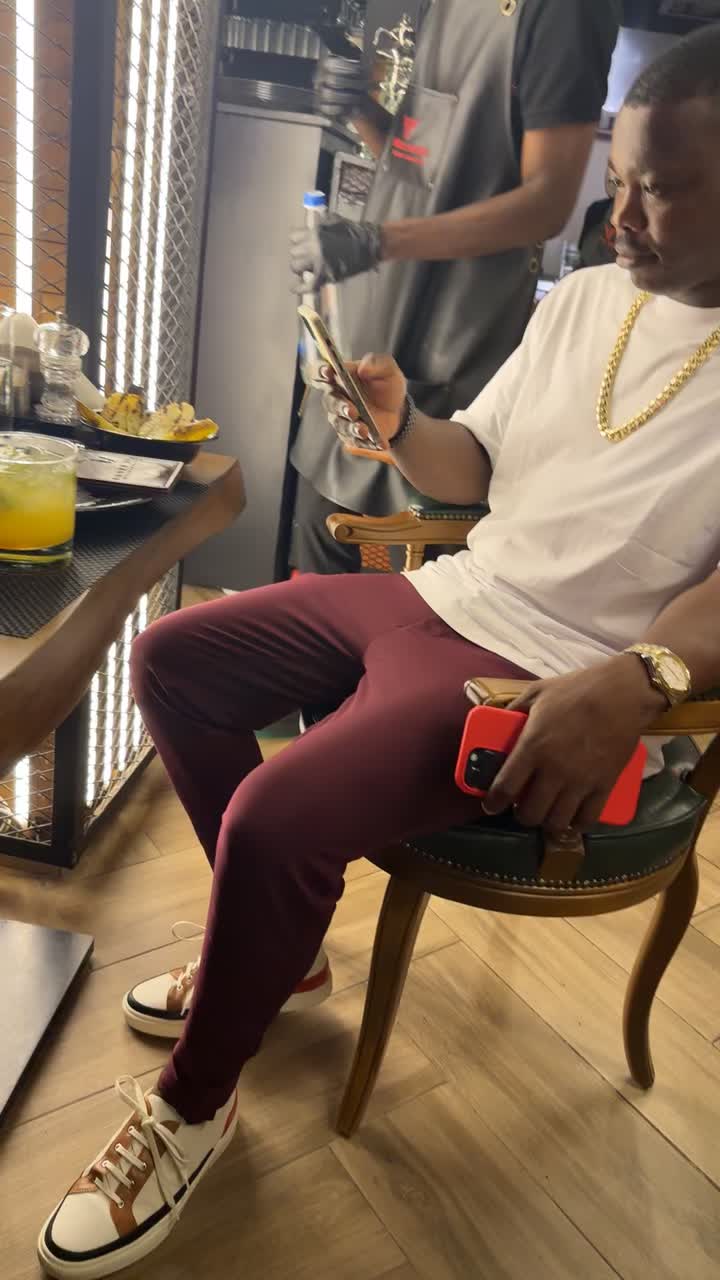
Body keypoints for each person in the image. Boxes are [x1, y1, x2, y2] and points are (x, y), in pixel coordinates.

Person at [38, 26, 720, 1279]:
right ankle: (283, 951)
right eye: (617, 179)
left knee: (274, 819)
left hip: (541, 672)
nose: (617, 216)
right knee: (177, 659)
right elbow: (476, 470)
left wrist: (636, 683)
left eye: (659, 190)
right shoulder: (586, 300)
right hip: (449, 587)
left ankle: (192, 1110)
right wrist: (405, 426)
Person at [289, 0, 621, 573]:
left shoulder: (565, 13)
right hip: (378, 313)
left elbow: (547, 202)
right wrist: (361, 112)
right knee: (317, 536)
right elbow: (427, 165)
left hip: (453, 337)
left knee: (417, 566)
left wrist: (380, 241)